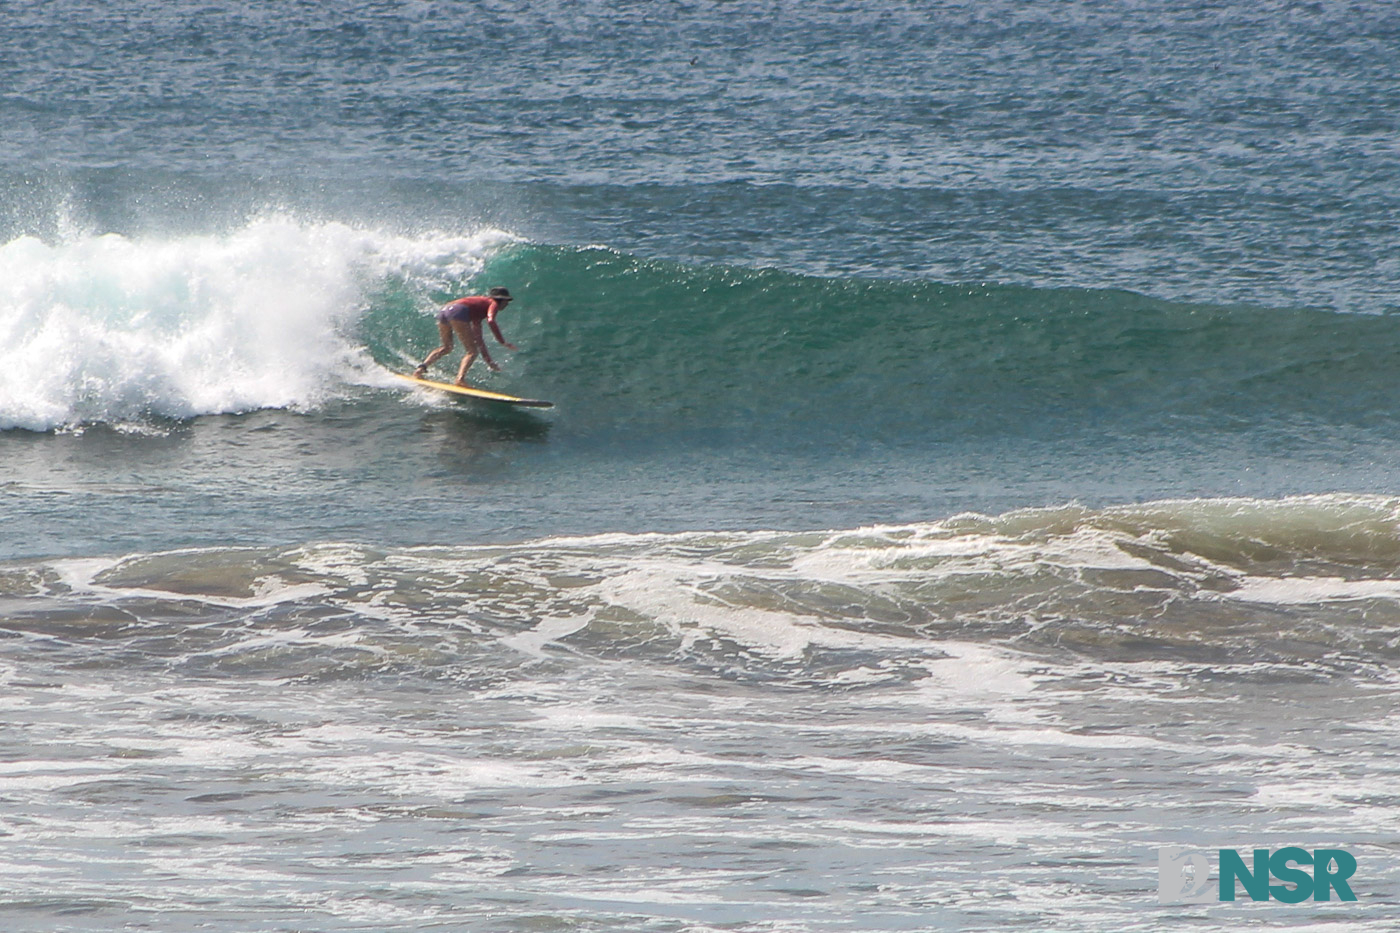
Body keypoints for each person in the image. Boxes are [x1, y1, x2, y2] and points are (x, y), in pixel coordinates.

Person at [412, 287, 519, 386]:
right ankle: (460, 379)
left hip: (444, 310)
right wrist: (502, 341)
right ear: (501, 300)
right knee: (472, 352)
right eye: (506, 301)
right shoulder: (493, 302)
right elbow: (491, 320)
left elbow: (479, 339)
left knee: (446, 347)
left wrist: (489, 361)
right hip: (458, 311)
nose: (507, 304)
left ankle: (420, 370)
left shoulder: (478, 310)